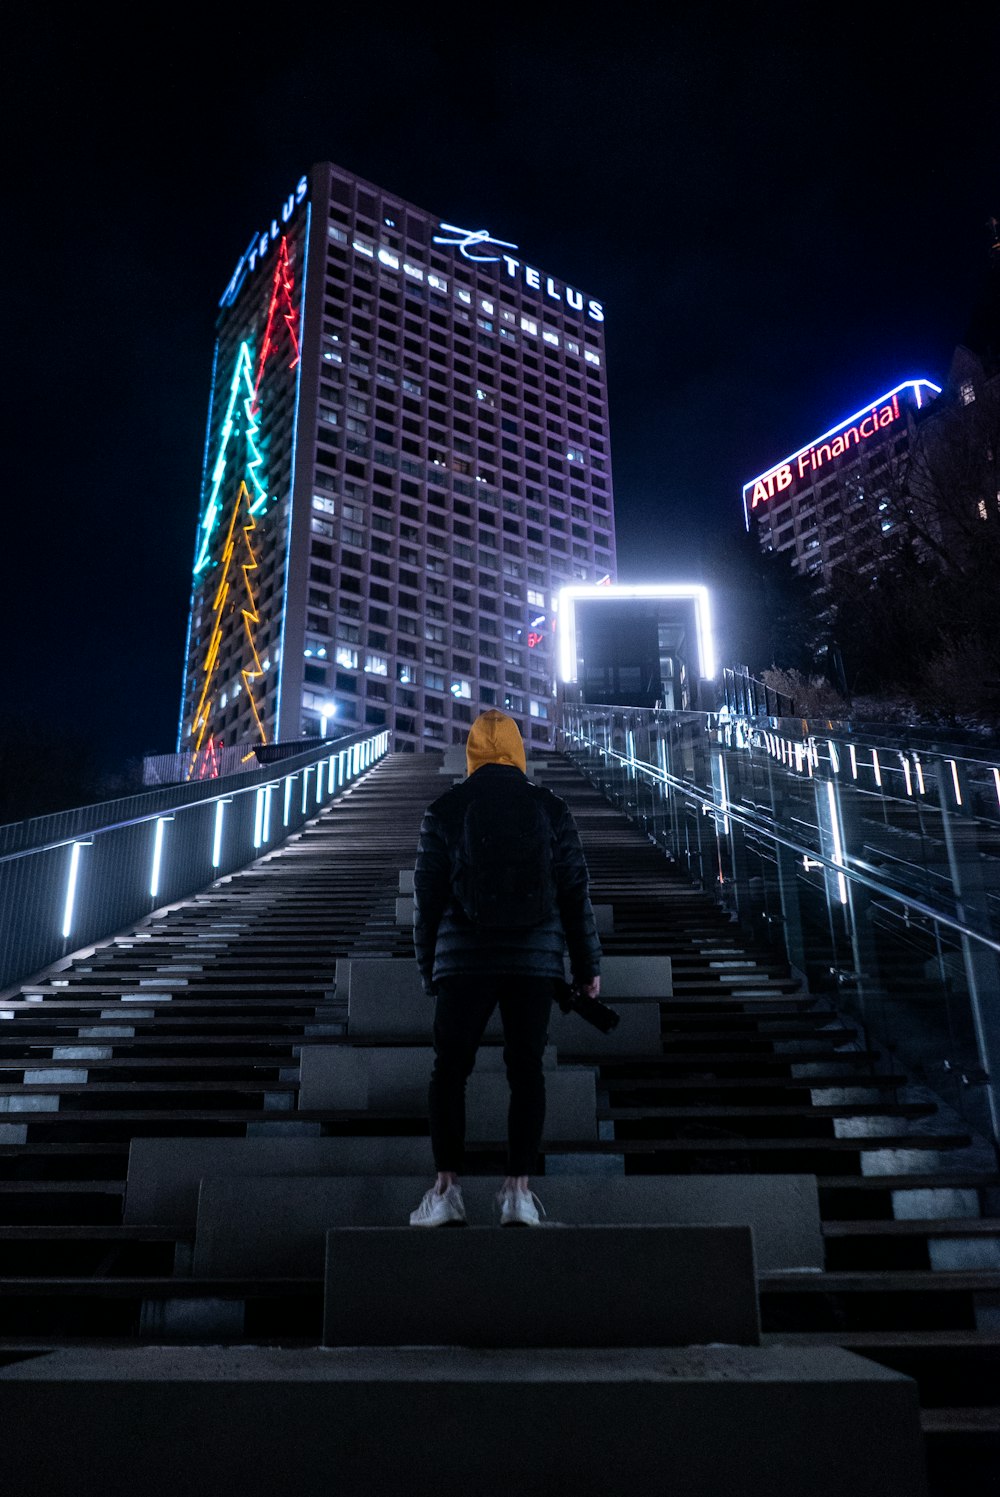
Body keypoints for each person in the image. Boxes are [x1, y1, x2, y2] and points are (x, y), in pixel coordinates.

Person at [410, 709, 602, 1227]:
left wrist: (429, 964)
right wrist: (586, 965)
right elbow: (574, 891)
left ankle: (446, 1190)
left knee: (450, 1071)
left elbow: (426, 900)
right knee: (526, 1071)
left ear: (472, 754)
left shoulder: (445, 809)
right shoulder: (551, 808)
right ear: (519, 753)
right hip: (533, 960)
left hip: (463, 961)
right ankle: (517, 1192)